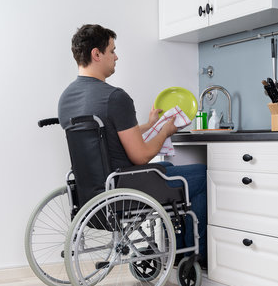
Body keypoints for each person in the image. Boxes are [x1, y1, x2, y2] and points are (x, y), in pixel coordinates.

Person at [58, 24, 207, 265]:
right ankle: (190, 257)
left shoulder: (66, 99)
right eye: (112, 51)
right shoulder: (115, 97)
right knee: (201, 174)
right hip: (127, 187)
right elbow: (141, 156)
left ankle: (180, 255)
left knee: (169, 171)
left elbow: (107, 136)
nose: (117, 56)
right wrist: (167, 129)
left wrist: (150, 126)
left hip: (95, 190)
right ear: (97, 54)